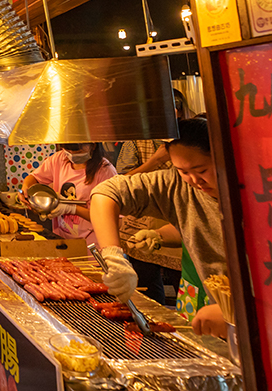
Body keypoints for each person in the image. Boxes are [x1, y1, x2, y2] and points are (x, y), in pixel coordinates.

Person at [90, 118, 229, 338]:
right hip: (212, 310)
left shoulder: (258, 192)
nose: (194, 180)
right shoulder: (177, 184)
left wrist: (233, 313)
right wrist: (113, 254)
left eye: (201, 169)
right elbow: (106, 193)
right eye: (183, 170)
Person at [22, 142, 117, 244]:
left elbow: (112, 220)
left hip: (92, 245)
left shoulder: (105, 171)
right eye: (68, 151)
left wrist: (72, 208)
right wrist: (26, 189)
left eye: (78, 151)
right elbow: (34, 177)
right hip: (62, 241)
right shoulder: (59, 159)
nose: (72, 154)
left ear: (93, 145)